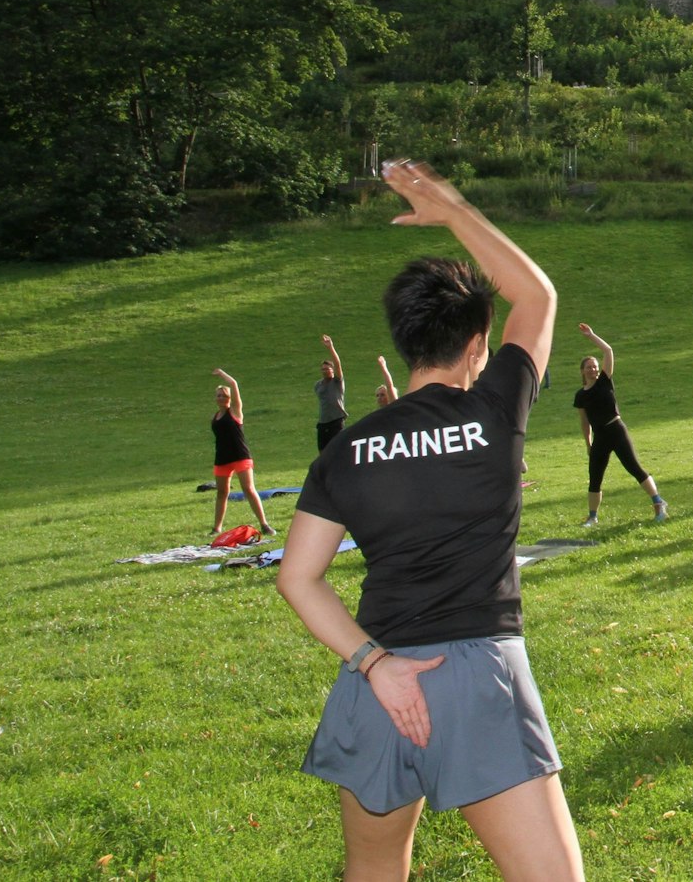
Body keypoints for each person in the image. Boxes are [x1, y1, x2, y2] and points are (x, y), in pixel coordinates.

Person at [275, 159, 584, 882]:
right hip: (478, 676)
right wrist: (452, 210)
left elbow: (298, 578)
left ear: (408, 342)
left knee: (375, 871)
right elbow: (536, 294)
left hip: (377, 683)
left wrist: (375, 665)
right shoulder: (493, 411)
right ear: (477, 347)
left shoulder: (346, 449)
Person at [573, 324, 668, 524]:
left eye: (595, 366)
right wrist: (588, 444)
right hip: (600, 437)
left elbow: (608, 351)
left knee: (634, 468)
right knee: (595, 477)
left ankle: (659, 503)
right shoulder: (580, 395)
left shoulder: (604, 380)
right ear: (582, 371)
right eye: (589, 367)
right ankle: (592, 517)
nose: (593, 369)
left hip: (616, 430)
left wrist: (591, 335)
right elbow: (584, 421)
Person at [209, 368, 275, 537]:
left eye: (224, 395)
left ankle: (264, 524)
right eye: (218, 395)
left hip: (240, 456)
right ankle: (216, 528)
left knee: (248, 489)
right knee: (222, 492)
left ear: (229, 398)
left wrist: (222, 374)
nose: (221, 398)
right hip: (222, 458)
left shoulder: (235, 412)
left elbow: (234, 384)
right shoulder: (215, 416)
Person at [315, 334, 347, 451]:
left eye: (327, 369)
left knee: (337, 450)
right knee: (323, 452)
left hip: (336, 422)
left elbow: (338, 364)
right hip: (323, 423)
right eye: (322, 369)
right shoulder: (318, 385)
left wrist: (330, 347)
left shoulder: (337, 382)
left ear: (332, 370)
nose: (324, 371)